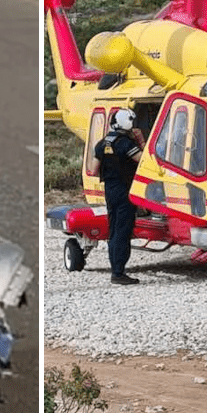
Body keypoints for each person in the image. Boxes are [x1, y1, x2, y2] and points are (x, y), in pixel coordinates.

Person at [89, 108, 146, 286]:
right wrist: (141, 141)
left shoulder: (102, 143)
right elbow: (144, 161)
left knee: (114, 229)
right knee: (123, 229)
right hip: (125, 191)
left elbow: (93, 170)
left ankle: (116, 268)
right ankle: (118, 272)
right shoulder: (126, 144)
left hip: (110, 191)